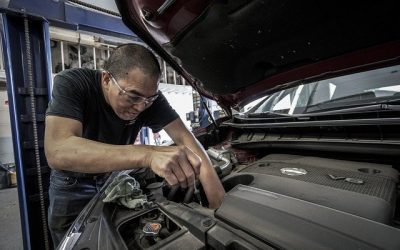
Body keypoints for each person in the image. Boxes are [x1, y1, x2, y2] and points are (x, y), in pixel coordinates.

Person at [44, 43, 225, 248]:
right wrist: (148, 154)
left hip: (114, 179)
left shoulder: (148, 99)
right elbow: (58, 150)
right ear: (106, 79)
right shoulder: (74, 83)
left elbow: (186, 138)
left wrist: (217, 202)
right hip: (72, 185)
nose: (140, 107)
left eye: (149, 99)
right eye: (133, 96)